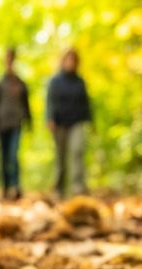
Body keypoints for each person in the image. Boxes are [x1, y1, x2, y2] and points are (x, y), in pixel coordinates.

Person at [46, 48, 93, 198]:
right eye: (68, 59)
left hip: (77, 121)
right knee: (61, 157)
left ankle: (77, 187)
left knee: (77, 151)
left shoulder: (80, 82)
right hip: (59, 122)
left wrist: (91, 121)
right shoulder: (55, 81)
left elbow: (86, 103)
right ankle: (59, 189)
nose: (71, 63)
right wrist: (50, 118)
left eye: (73, 60)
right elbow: (50, 101)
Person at [0, 48, 31, 200]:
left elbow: (26, 104)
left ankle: (15, 186)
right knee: (3, 156)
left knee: (13, 155)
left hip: (16, 123)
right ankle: (5, 187)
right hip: (1, 124)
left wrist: (29, 122)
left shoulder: (20, 83)